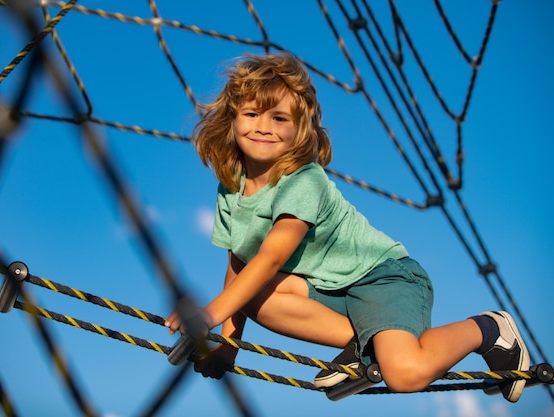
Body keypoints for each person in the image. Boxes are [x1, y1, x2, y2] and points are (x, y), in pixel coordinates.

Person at [165, 52, 529, 402]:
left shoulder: (303, 181)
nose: (263, 126)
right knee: (251, 293)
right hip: (331, 293)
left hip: (386, 279)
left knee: (404, 373)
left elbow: (272, 256)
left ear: (300, 130)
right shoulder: (232, 187)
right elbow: (239, 266)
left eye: (279, 118)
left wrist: (209, 315)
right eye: (251, 113)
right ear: (232, 119)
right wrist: (228, 348)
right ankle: (365, 346)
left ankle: (488, 329)